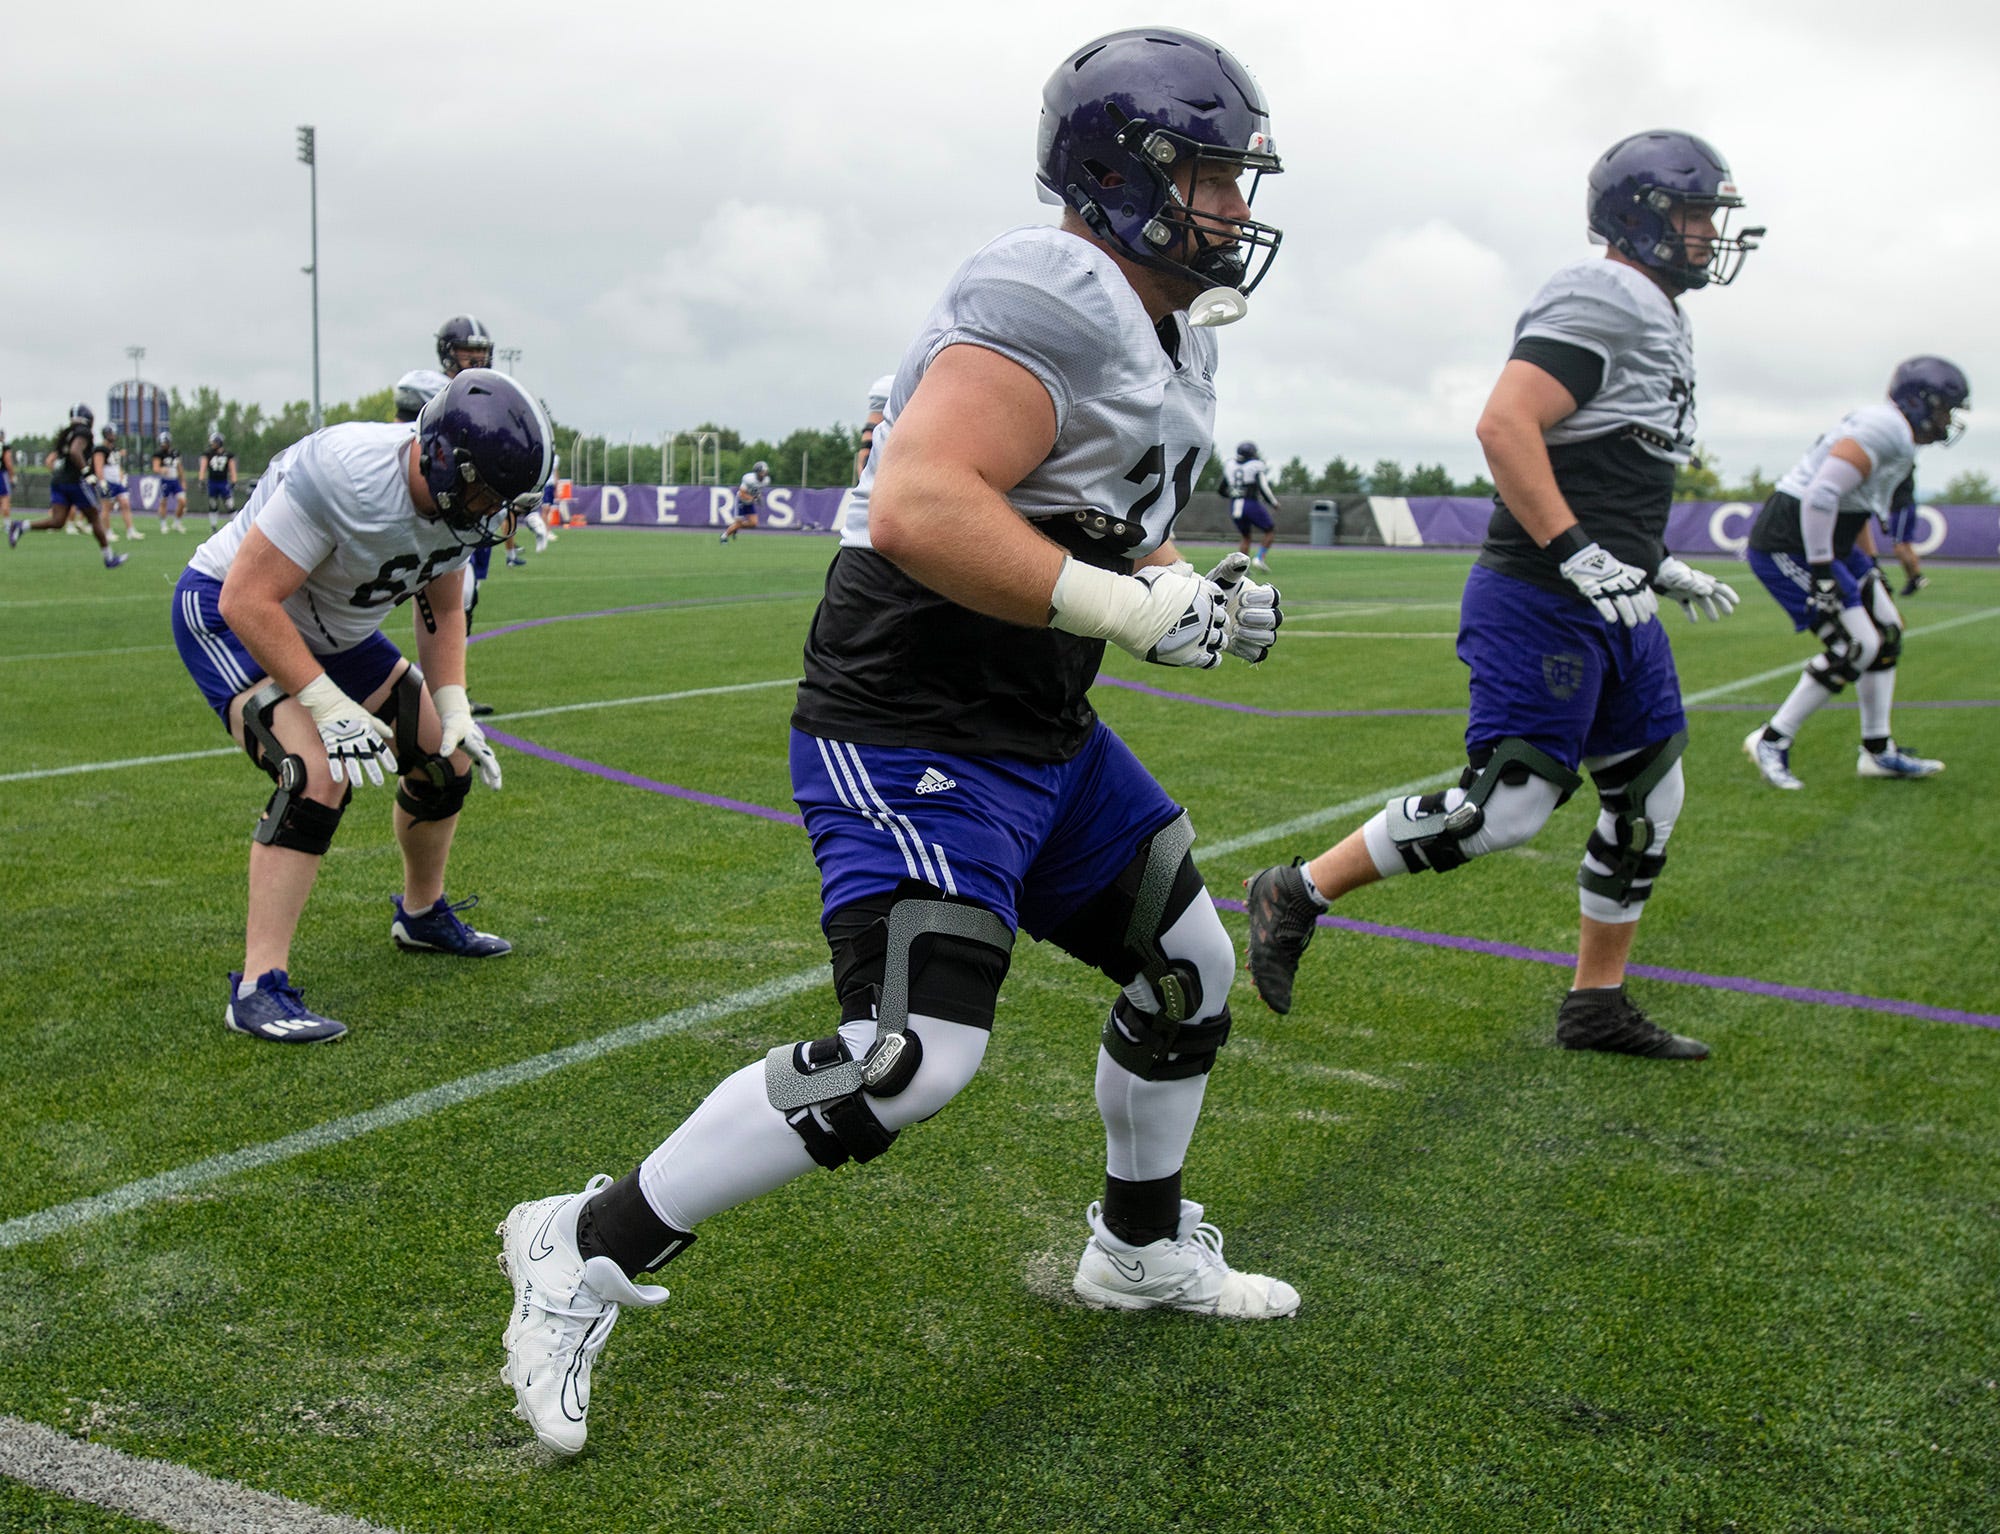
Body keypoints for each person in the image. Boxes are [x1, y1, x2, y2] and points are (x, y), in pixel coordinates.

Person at [498, 25, 1292, 1457]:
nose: (1236, 205)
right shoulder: (1052, 287)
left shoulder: (1165, 325)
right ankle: (581, 1239)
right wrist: (1124, 604)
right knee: (910, 1054)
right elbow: (928, 504)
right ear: (1119, 172)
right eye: (1214, 176)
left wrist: (1181, 587)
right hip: (916, 703)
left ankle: (1135, 1246)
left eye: (1242, 178)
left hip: (1035, 714)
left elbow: (1103, 511)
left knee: (1190, 965)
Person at [1244, 129, 1757, 1061]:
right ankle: (1297, 888)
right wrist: (1576, 550)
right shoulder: (1604, 291)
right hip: (1543, 595)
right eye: (1690, 214)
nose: (1704, 234)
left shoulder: (1660, 310)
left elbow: (1609, 461)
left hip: (1612, 596)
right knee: (1506, 810)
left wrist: (1650, 562)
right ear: (1638, 218)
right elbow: (1506, 421)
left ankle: (1596, 1004)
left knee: (1649, 795)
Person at [169, 369, 551, 1043]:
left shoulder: (456, 502)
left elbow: (440, 602)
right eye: (488, 492)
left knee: (443, 764)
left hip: (333, 629)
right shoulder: (345, 471)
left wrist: (454, 702)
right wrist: (323, 703)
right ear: (441, 461)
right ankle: (259, 987)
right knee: (316, 774)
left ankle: (421, 914)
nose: (496, 511)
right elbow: (245, 598)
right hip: (235, 613)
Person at [1741, 357, 1968, 789]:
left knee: (1887, 631)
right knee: (1854, 645)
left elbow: (1856, 504)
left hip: (1834, 539)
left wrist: (1871, 568)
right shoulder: (1886, 428)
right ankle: (1771, 739)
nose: (1947, 420)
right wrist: (1824, 571)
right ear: (1921, 401)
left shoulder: (1897, 436)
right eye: (1945, 408)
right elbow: (1821, 494)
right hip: (1790, 540)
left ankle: (1877, 752)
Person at [8, 404, 128, 567]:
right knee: (94, 517)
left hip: (59, 481)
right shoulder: (83, 432)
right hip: (75, 482)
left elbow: (61, 454)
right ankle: (108, 557)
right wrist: (86, 472)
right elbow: (74, 451)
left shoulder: (67, 433)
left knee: (58, 521)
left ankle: (22, 526)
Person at [1222, 440, 1281, 568]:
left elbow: (1221, 490)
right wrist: (1274, 503)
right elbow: (1263, 487)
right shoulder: (1256, 465)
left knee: (1245, 536)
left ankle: (1241, 568)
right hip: (1250, 503)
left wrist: (1234, 494)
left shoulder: (1229, 465)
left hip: (1235, 505)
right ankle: (1259, 558)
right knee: (1270, 530)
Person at [1881, 469, 1928, 596]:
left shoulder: (1900, 468)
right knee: (1905, 544)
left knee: (1899, 545)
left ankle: (1915, 577)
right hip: (1903, 507)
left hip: (1902, 508)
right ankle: (1915, 577)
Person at [97, 426, 143, 541]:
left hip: (117, 481)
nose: (114, 436)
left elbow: (117, 466)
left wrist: (122, 477)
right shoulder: (100, 449)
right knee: (106, 507)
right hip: (107, 481)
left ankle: (130, 531)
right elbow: (98, 466)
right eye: (112, 434)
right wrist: (102, 482)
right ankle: (107, 532)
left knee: (125, 504)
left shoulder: (115, 449)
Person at [718, 460, 772, 542]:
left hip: (749, 502)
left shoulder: (766, 480)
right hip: (741, 501)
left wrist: (758, 496)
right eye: (762, 471)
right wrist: (754, 499)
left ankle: (735, 527)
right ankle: (724, 536)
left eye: (765, 471)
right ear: (757, 472)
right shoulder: (749, 479)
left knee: (753, 523)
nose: (764, 473)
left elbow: (757, 490)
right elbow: (742, 494)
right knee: (738, 523)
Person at [201, 431, 239, 530]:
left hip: (223, 482)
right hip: (212, 482)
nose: (212, 444)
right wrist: (201, 479)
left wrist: (234, 480)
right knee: (213, 504)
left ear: (219, 442)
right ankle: (213, 526)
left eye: (214, 442)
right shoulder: (208, 454)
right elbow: (203, 467)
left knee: (229, 504)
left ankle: (236, 525)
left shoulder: (227, 455)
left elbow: (232, 468)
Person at [153, 431, 187, 533]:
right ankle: (163, 524)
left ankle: (177, 522)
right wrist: (161, 469)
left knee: (182, 501)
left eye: (165, 442)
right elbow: (155, 468)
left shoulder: (175, 453)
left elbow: (180, 467)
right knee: (163, 502)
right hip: (165, 481)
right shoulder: (159, 454)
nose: (163, 445)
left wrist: (183, 481)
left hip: (175, 481)